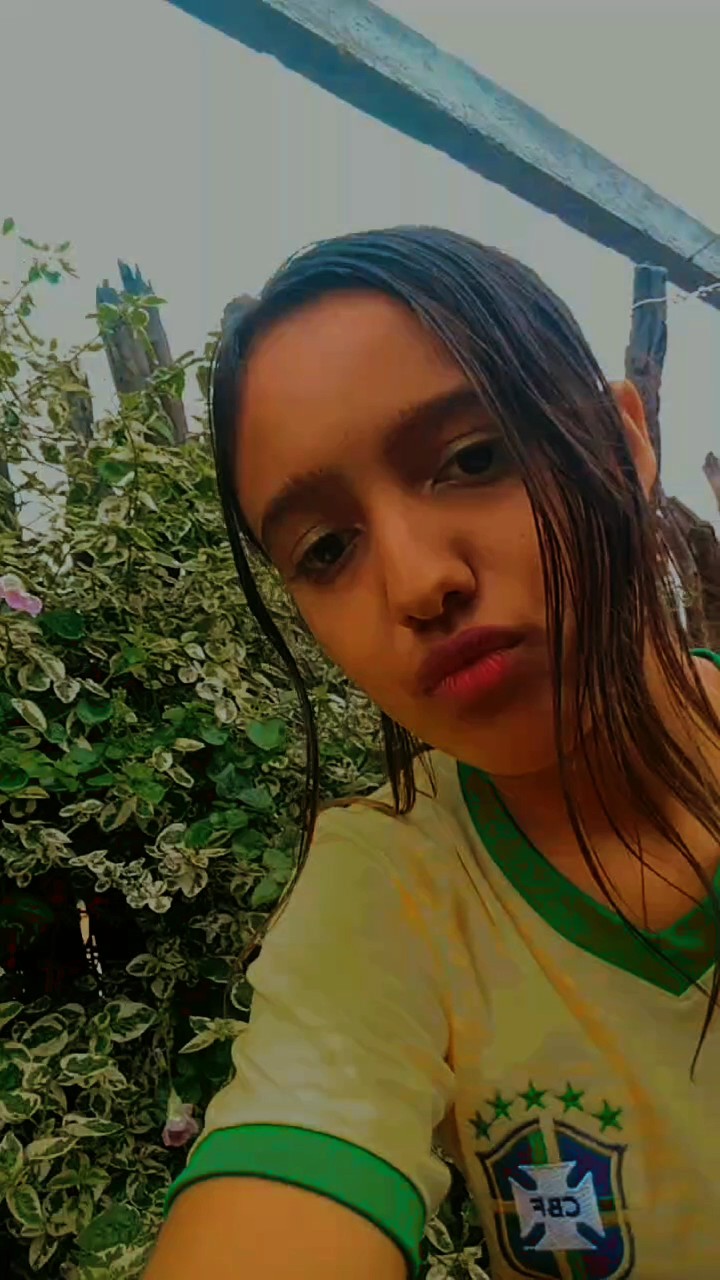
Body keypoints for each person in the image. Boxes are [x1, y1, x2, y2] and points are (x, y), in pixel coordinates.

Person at [145, 227, 720, 1280]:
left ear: (624, 441)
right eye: (327, 549)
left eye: (475, 458)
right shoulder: (391, 888)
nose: (418, 584)